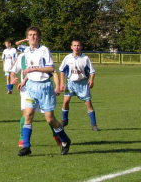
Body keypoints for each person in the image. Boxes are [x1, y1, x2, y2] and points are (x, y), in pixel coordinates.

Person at [10, 26, 71, 156]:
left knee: (50, 119)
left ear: (39, 37)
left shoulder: (44, 50)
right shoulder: (26, 51)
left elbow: (51, 68)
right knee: (28, 115)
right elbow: (23, 67)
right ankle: (26, 146)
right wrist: (18, 78)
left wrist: (33, 70)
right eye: (30, 35)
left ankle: (65, 140)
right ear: (27, 38)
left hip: (45, 88)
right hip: (31, 88)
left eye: (35, 35)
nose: (33, 37)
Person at [10, 52, 62, 148]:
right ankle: (23, 139)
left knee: (49, 117)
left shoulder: (42, 53)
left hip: (42, 88)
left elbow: (53, 71)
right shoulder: (21, 57)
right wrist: (13, 78)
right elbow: (13, 71)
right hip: (26, 90)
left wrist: (57, 86)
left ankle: (56, 134)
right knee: (26, 114)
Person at [59, 39, 99, 131]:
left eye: (78, 45)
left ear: (81, 47)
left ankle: (94, 125)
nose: (76, 47)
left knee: (88, 103)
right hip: (70, 84)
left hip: (82, 84)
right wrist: (62, 83)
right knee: (65, 101)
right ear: (71, 47)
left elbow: (92, 71)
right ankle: (64, 120)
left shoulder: (85, 58)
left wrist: (91, 80)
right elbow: (62, 71)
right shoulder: (67, 58)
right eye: (74, 45)